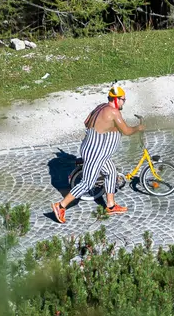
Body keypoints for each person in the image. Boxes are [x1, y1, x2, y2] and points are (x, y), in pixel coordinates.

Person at [52, 84, 144, 223]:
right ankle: (61, 206)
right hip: (96, 153)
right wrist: (139, 127)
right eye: (123, 99)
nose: (123, 102)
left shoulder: (101, 106)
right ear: (116, 99)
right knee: (87, 183)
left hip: (98, 152)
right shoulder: (113, 112)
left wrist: (104, 129)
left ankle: (111, 206)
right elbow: (126, 131)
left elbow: (86, 121)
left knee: (111, 173)